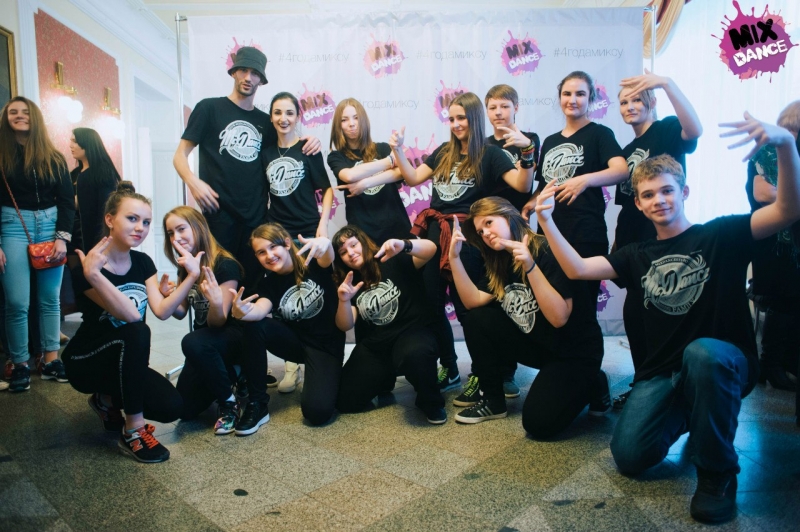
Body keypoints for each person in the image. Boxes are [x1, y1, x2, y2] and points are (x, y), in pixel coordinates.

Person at [534, 113, 800, 523]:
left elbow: (787, 209)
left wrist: (784, 143)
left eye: (666, 190)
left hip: (721, 362)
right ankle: (695, 412)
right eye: (648, 194)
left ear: (684, 191)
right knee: (630, 455)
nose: (658, 200)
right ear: (638, 203)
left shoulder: (722, 234)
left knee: (702, 355)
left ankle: (717, 474)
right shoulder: (636, 255)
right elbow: (578, 268)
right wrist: (546, 220)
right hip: (663, 374)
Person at [390, 92, 533, 406]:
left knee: (469, 310)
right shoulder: (444, 151)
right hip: (434, 235)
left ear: (474, 119)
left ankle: (482, 373)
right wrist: (398, 150)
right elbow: (412, 178)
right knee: (431, 305)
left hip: (467, 236)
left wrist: (528, 152)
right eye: (451, 118)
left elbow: (523, 185)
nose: (455, 124)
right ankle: (450, 366)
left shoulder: (490, 154)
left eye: (461, 118)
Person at [448, 198, 608, 435]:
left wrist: (530, 266)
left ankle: (594, 382)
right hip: (541, 346)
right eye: (481, 231)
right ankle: (493, 401)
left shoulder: (546, 249)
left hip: (575, 353)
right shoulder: (499, 259)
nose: (486, 233)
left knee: (539, 424)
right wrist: (454, 259)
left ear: (509, 216)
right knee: (477, 319)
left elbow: (559, 318)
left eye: (489, 223)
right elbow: (473, 301)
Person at [173, 47, 321, 294]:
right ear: (233, 72)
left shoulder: (266, 122)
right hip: (218, 216)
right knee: (217, 284)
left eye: (254, 73)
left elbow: (287, 146)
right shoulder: (209, 108)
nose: (248, 77)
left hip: (256, 220)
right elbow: (180, 155)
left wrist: (311, 140)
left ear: (261, 80)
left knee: (252, 287)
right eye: (243, 70)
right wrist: (192, 181)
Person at [62, 183, 190, 463]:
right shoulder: (87, 266)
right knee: (136, 330)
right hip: (86, 361)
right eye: (132, 218)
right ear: (110, 219)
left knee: (172, 407)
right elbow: (131, 316)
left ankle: (105, 399)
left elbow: (161, 310)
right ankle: (133, 430)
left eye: (146, 222)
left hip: (125, 363)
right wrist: (95, 276)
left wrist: (190, 277)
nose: (140, 228)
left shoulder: (143, 262)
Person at [612, 71, 702, 406]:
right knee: (635, 313)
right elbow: (628, 205)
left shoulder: (666, 129)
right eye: (624, 102)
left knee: (663, 311)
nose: (630, 106)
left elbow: (694, 131)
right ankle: (644, 384)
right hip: (633, 243)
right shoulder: (626, 151)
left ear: (651, 103)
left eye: (637, 100)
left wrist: (666, 83)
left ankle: (676, 387)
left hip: (665, 241)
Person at [231, 224, 344, 434]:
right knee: (254, 326)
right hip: (295, 344)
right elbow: (260, 310)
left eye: (273, 247)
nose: (269, 255)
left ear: (287, 243)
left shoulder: (313, 262)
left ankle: (332, 377)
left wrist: (325, 243)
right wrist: (242, 313)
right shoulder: (268, 284)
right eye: (261, 252)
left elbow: (327, 256)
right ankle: (257, 404)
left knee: (317, 412)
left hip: (325, 347)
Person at [332, 225, 446, 424]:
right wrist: (343, 300)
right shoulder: (349, 282)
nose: (350, 253)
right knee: (345, 402)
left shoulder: (390, 258)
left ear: (363, 242)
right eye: (343, 252)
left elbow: (431, 249)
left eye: (353, 244)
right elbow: (345, 325)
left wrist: (404, 244)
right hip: (376, 346)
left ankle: (430, 401)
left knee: (415, 355)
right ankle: (385, 379)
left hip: (411, 334)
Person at [0, 96, 74, 392]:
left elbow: (66, 201)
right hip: (12, 226)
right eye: (13, 112)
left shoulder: (53, 157)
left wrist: (62, 238)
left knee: (49, 299)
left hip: (50, 227)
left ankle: (51, 360)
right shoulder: (1, 155)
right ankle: (20, 363)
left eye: (25, 112)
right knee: (17, 302)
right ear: (6, 119)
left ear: (35, 118)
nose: (19, 116)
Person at [262, 91, 333, 393]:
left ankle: (320, 355)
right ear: (271, 117)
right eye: (278, 112)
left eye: (289, 113)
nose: (283, 118)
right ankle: (291, 366)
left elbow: (327, 189)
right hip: (279, 235)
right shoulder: (265, 153)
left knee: (313, 291)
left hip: (307, 231)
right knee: (284, 297)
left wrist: (322, 225)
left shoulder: (308, 149)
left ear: (297, 117)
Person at [161, 206, 245, 434]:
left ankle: (229, 402)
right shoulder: (187, 265)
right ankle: (226, 375)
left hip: (231, 338)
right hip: (204, 346)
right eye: (171, 233)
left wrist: (216, 302)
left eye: (181, 229)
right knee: (185, 410)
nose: (176, 238)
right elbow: (180, 312)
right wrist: (168, 295)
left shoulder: (225, 264)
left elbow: (218, 322)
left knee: (192, 340)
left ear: (198, 227)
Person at [745, 100, 800, 392]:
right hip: (773, 244)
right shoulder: (766, 153)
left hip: (793, 243)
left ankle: (786, 362)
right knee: (785, 299)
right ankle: (771, 364)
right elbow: (765, 194)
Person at [328, 98, 411, 245]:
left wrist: (365, 183)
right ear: (338, 125)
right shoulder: (336, 157)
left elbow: (402, 173)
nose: (351, 123)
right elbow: (350, 175)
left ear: (364, 120)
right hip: (363, 234)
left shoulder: (383, 148)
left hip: (396, 227)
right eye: (344, 120)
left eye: (356, 117)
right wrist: (389, 161)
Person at [484, 84, 541, 212]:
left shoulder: (529, 139)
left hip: (517, 213)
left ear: (516, 108)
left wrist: (527, 146)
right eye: (492, 108)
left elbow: (526, 174)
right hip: (487, 212)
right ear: (487, 112)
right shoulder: (483, 145)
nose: (498, 112)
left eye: (504, 106)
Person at [69, 127, 122, 252]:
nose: (70, 145)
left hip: (93, 237)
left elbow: (104, 209)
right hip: (73, 236)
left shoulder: (103, 173)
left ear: (87, 143)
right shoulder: (74, 174)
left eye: (75, 141)